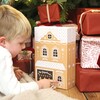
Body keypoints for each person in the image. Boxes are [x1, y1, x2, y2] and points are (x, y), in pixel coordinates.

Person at [0, 5, 57, 96]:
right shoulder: (3, 54)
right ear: (3, 42)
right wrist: (40, 85)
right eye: (20, 43)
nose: (23, 47)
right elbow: (14, 91)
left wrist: (11, 70)